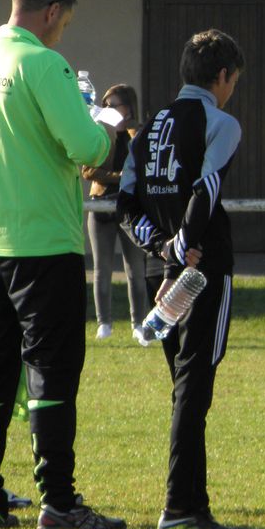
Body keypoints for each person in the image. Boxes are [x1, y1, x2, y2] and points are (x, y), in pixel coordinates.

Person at [0, 0, 127, 529]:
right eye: (64, 21)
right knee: (51, 371)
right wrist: (106, 127)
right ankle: (59, 502)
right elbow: (88, 146)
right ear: (51, 12)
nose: (63, 31)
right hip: (47, 242)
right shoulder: (46, 65)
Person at [118, 29, 245, 529]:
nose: (231, 90)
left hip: (161, 268)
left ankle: (196, 504)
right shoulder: (222, 123)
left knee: (185, 388)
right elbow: (205, 189)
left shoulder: (147, 128)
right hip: (201, 271)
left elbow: (125, 204)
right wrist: (183, 246)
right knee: (195, 388)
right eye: (233, 81)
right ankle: (177, 507)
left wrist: (160, 247)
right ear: (222, 76)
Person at [82, 84, 152, 342]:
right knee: (102, 268)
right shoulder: (99, 131)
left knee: (135, 267)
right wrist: (118, 176)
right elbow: (88, 171)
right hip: (101, 204)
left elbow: (143, 167)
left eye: (113, 105)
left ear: (128, 108)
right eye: (105, 104)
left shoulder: (139, 134)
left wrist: (131, 133)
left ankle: (138, 323)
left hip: (130, 207)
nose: (107, 109)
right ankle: (104, 323)